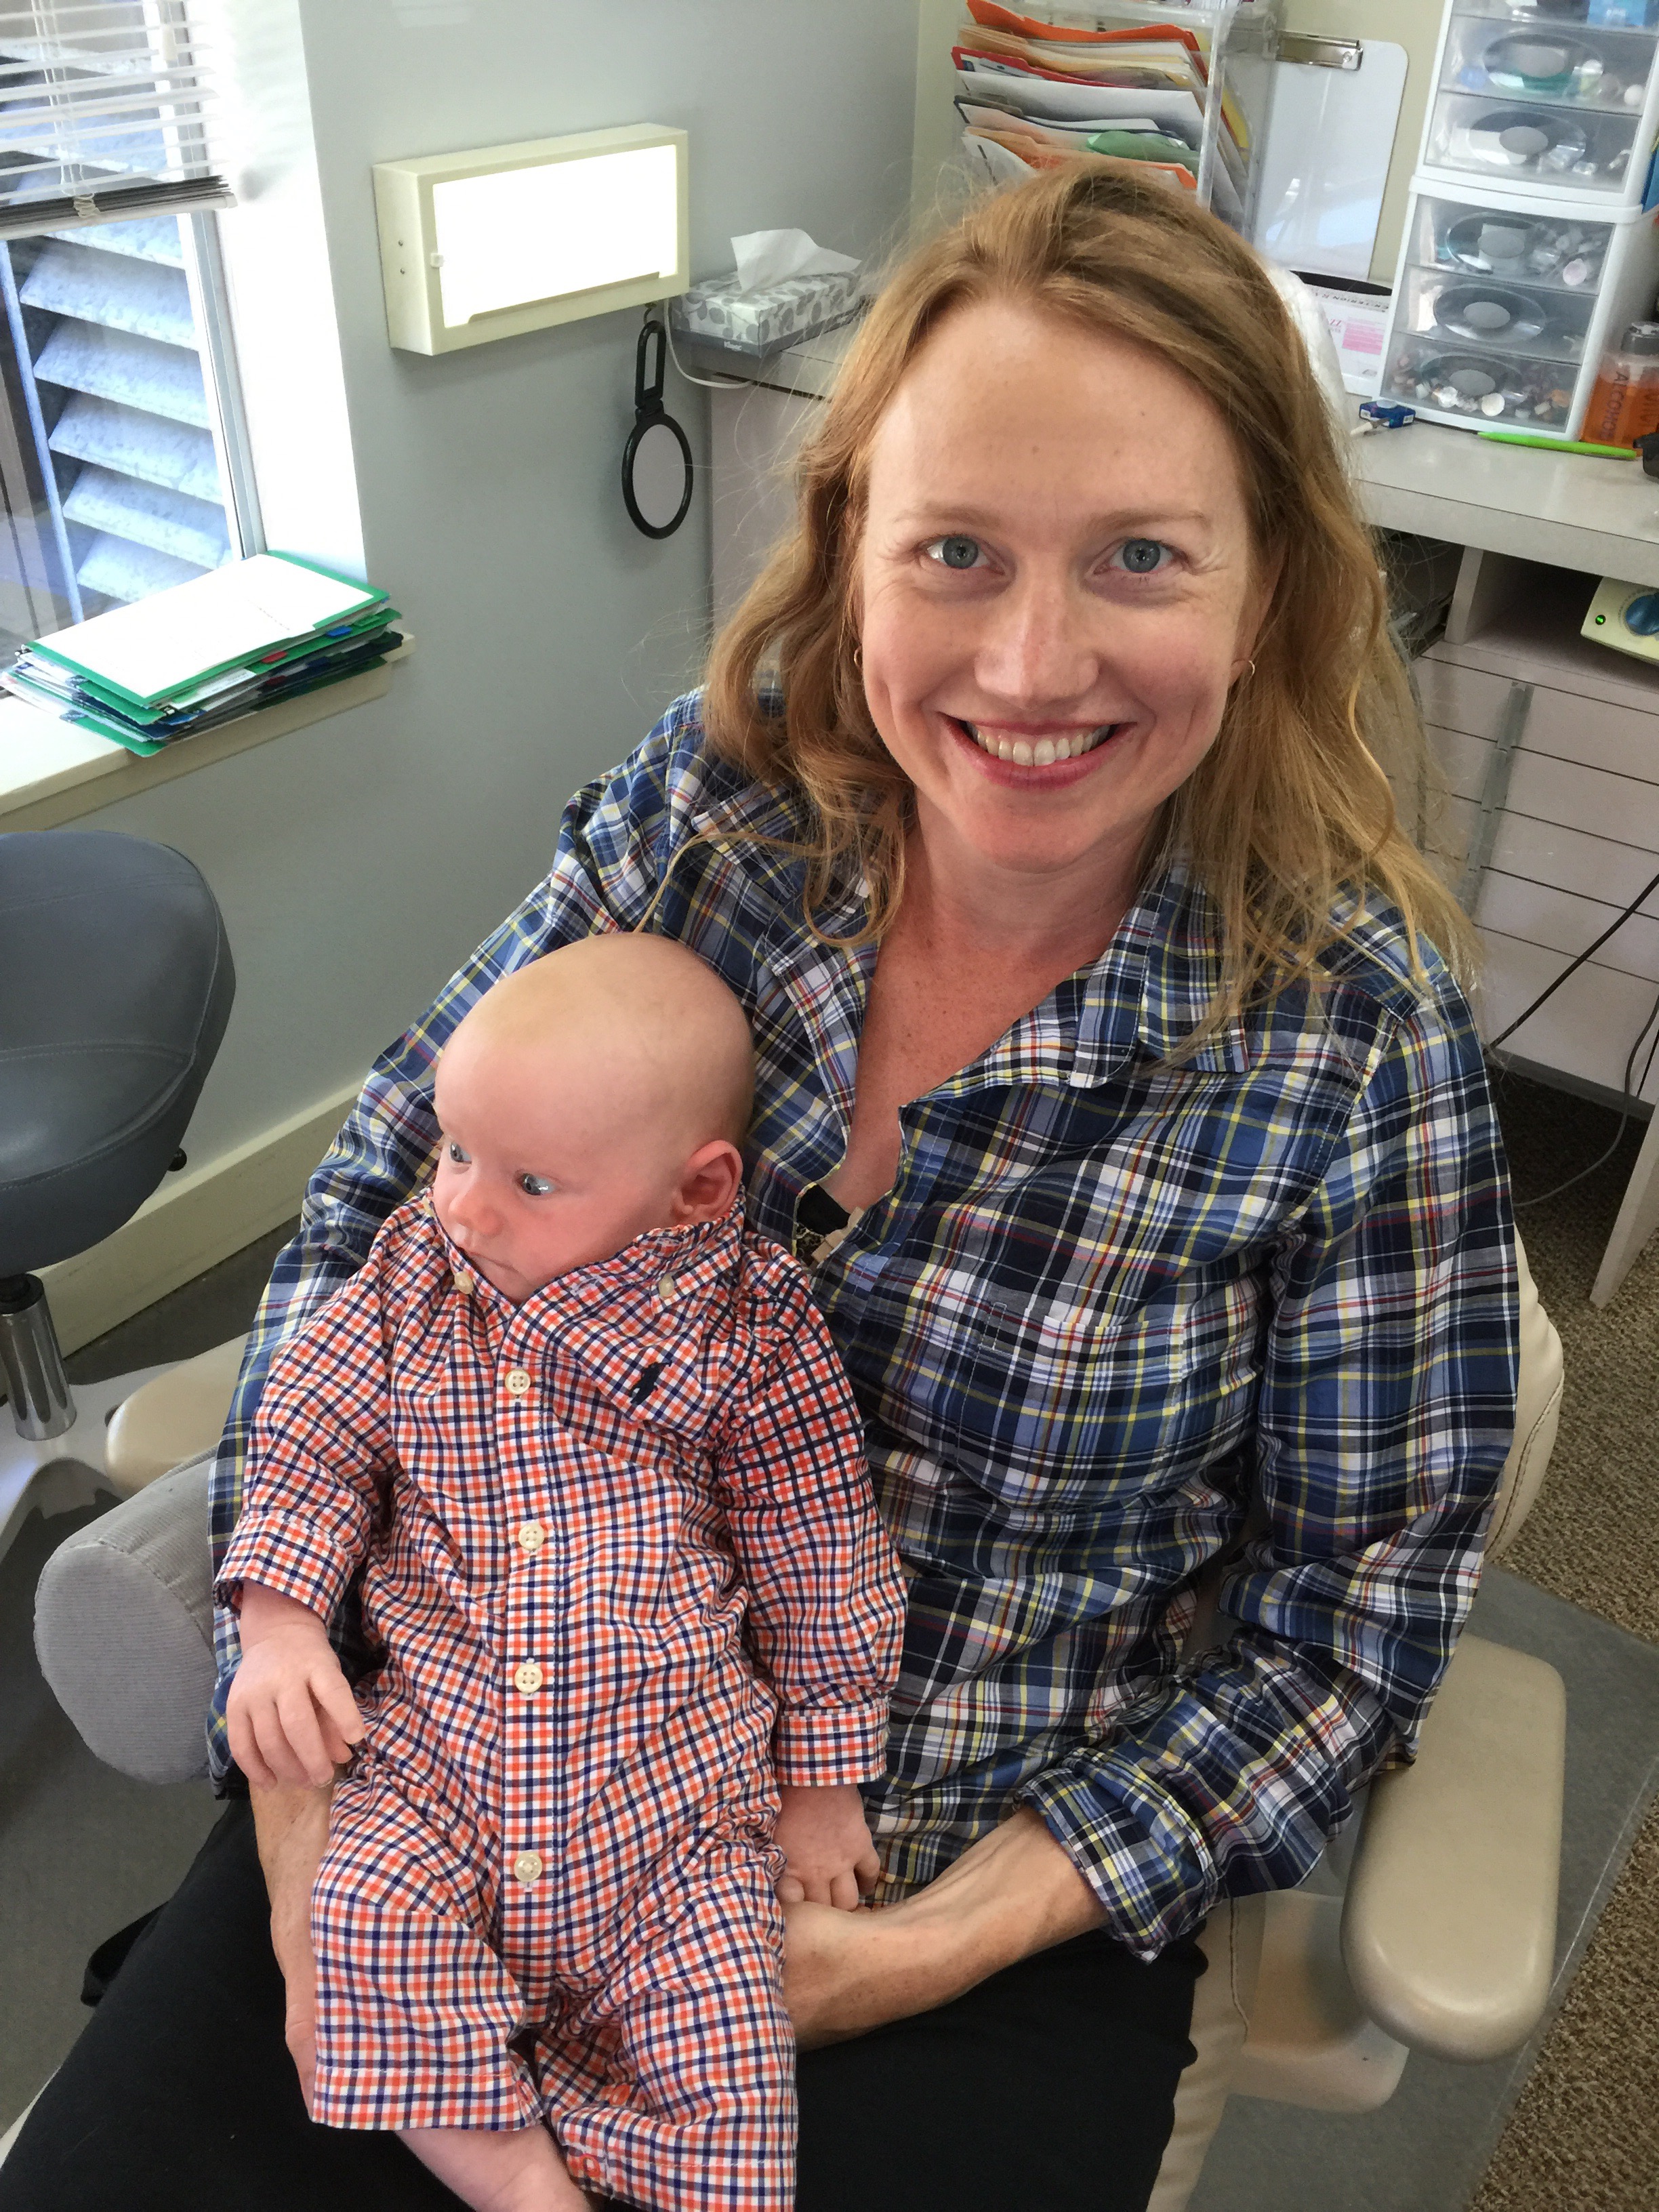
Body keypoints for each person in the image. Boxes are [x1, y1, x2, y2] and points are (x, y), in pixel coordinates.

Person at [2, 161, 1518, 2212]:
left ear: (1268, 597)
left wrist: (919, 1949)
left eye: (1142, 556)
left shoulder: (1354, 1040)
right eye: (956, 551)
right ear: (851, 552)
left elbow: (1345, 1636)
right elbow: (378, 1206)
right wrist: (298, 1815)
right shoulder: (718, 816)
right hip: (455, 1747)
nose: (1032, 663)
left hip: (939, 1856)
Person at [218, 937, 906, 2212]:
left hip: (672, 1811)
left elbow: (821, 1555)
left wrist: (823, 1787)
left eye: (531, 1182)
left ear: (697, 1189)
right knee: (357, 1931)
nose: (469, 1208)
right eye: (455, 1153)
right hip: (433, 1772)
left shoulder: (751, 1322)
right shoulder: (414, 1276)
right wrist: (281, 1628)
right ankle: (526, 2188)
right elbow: (309, 1440)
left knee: (734, 2059)